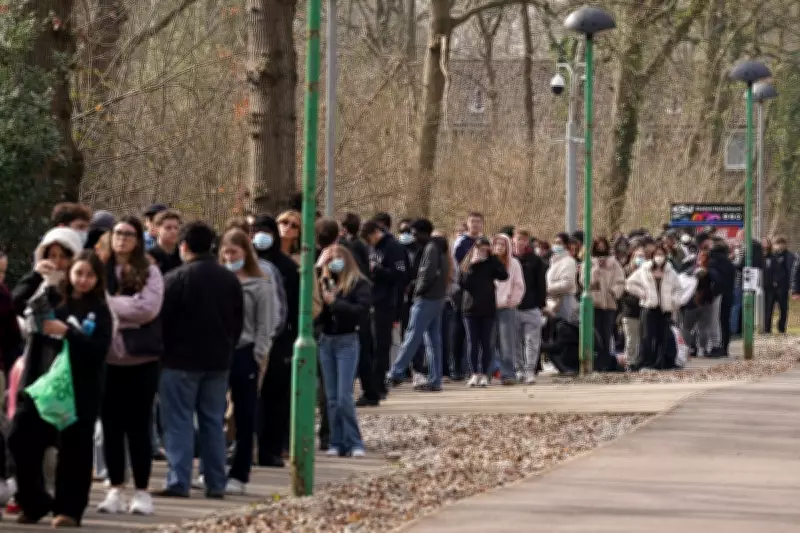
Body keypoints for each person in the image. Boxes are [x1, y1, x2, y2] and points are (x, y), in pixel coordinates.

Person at [8, 251, 113, 527]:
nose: (83, 280)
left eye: (89, 275)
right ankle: (34, 501)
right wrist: (36, 275)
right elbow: (17, 303)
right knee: (20, 438)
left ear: (98, 279)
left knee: (74, 449)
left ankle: (69, 509)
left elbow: (99, 349)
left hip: (80, 388)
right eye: (78, 273)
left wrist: (68, 332)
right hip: (41, 384)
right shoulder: (52, 297)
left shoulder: (100, 309)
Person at [156, 222, 244, 499]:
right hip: (217, 360)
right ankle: (215, 481)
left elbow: (162, 322)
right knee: (212, 422)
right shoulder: (229, 280)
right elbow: (237, 323)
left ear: (184, 246)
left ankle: (179, 480)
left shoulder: (175, 278)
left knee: (179, 421)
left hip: (179, 361)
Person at [97, 217, 164, 516]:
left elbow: (147, 309)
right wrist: (124, 309)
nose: (122, 238)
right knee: (111, 427)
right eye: (118, 233)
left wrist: (111, 306)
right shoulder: (99, 268)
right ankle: (114, 487)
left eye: (129, 234)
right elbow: (92, 303)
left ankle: (141, 490)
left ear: (138, 239)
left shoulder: (149, 270)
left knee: (138, 427)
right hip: (107, 358)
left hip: (142, 359)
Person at [215, 228, 274, 494]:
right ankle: (212, 469)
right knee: (212, 413)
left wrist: (259, 355)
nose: (229, 257)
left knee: (244, 413)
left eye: (234, 253)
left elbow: (266, 324)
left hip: (245, 352)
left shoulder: (260, 284)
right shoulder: (218, 280)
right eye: (226, 252)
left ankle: (240, 472)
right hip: (217, 352)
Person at [251, 215, 302, 462]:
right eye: (256, 230)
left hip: (280, 340)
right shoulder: (243, 262)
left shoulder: (288, 267)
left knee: (276, 397)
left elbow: (292, 307)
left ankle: (272, 449)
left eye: (266, 231)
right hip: (249, 339)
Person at [315, 245, 371, 457]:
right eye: (330, 259)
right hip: (326, 341)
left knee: (344, 395)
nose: (335, 262)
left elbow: (360, 312)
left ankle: (354, 441)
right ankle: (336, 441)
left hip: (347, 341)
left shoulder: (359, 284)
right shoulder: (324, 282)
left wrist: (335, 303)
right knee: (331, 397)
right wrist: (318, 268)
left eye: (338, 258)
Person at [386, 219, 449, 392]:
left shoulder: (430, 249)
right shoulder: (439, 248)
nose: (413, 238)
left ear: (424, 233)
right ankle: (435, 380)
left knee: (412, 335)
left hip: (426, 299)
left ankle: (395, 372)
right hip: (437, 298)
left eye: (414, 234)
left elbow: (427, 274)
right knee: (433, 341)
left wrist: (417, 291)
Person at [360, 220, 407, 399]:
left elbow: (401, 273)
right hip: (372, 298)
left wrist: (380, 271)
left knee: (381, 345)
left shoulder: (393, 247)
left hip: (386, 301)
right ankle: (374, 383)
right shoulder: (373, 249)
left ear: (375, 232)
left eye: (369, 239)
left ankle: (379, 384)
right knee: (371, 344)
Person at [459, 237, 508, 387]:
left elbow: (504, 275)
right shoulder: (469, 263)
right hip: (470, 308)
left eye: (485, 249)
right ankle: (474, 373)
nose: (482, 252)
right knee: (472, 342)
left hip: (487, 308)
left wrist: (493, 259)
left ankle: (486, 374)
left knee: (487, 343)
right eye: (480, 248)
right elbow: (463, 283)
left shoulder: (491, 263)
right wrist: (473, 265)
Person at [626, 245, 682, 370]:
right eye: (657, 255)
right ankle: (645, 361)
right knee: (647, 336)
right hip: (649, 307)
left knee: (663, 336)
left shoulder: (670, 272)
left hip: (665, 309)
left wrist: (674, 300)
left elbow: (678, 288)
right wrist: (642, 293)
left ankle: (660, 362)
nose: (659, 258)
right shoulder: (644, 270)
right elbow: (630, 283)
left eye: (661, 254)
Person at [580, 237, 625, 372]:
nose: (600, 248)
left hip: (609, 304)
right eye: (598, 245)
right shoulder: (587, 263)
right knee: (595, 334)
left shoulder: (614, 264)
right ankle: (594, 362)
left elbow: (621, 281)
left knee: (606, 333)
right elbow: (584, 282)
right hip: (593, 303)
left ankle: (605, 362)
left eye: (602, 245)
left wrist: (613, 292)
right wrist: (595, 271)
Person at [513, 229, 546, 384]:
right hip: (513, 306)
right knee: (515, 341)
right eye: (518, 239)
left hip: (531, 306)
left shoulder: (535, 260)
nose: (521, 242)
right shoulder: (509, 258)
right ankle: (519, 369)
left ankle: (529, 370)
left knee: (532, 341)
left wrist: (541, 304)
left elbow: (541, 284)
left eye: (524, 240)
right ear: (513, 239)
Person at [492, 234, 525, 385]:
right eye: (496, 244)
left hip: (507, 307)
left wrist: (513, 301)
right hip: (488, 308)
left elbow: (519, 285)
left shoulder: (514, 264)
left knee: (506, 342)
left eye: (502, 244)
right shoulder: (488, 262)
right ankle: (489, 371)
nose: (499, 247)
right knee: (489, 342)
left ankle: (508, 374)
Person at [681, 248, 717, 357]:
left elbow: (682, 278)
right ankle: (699, 349)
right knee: (701, 328)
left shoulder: (692, 270)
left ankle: (689, 350)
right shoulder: (711, 271)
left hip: (694, 303)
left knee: (688, 328)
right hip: (704, 302)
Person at [707, 238, 735, 356]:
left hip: (716, 295)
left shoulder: (711, 262)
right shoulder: (729, 264)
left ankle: (716, 346)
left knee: (714, 321)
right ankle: (725, 347)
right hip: (728, 294)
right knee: (725, 321)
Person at [621, 246, 645, 368]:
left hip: (643, 311)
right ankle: (629, 362)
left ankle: (638, 361)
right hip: (629, 311)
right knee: (631, 339)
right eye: (638, 256)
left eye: (643, 256)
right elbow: (623, 292)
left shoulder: (647, 272)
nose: (640, 259)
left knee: (640, 338)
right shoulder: (626, 271)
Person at [764, 236, 793, 334]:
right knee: (769, 308)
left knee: (783, 309)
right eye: (777, 244)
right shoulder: (771, 256)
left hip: (783, 287)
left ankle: (781, 328)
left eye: (781, 243)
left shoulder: (789, 256)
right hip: (771, 287)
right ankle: (767, 329)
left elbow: (790, 271)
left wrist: (790, 286)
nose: (779, 246)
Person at [148, 209, 183, 275]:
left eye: (176, 228)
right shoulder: (149, 256)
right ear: (157, 229)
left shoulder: (184, 254)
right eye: (168, 228)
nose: (173, 231)